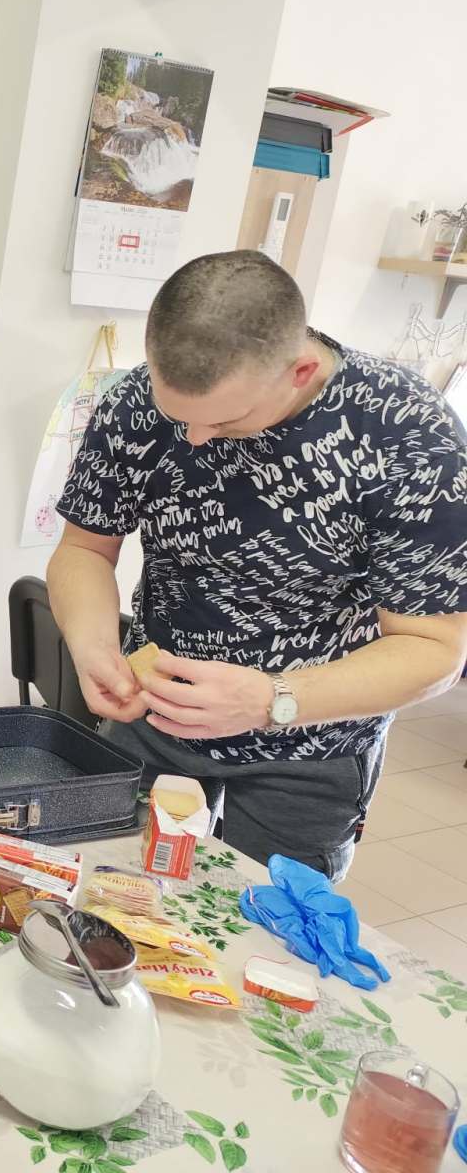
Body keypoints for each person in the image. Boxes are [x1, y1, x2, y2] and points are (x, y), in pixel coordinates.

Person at [49, 250, 467, 880]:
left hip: (310, 748)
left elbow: (435, 649)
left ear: (300, 371)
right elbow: (84, 548)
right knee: (116, 897)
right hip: (153, 718)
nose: (195, 438)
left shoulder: (407, 436)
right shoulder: (134, 402)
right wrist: (93, 647)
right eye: (177, 417)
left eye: (223, 420)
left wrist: (275, 699)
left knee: (266, 923)